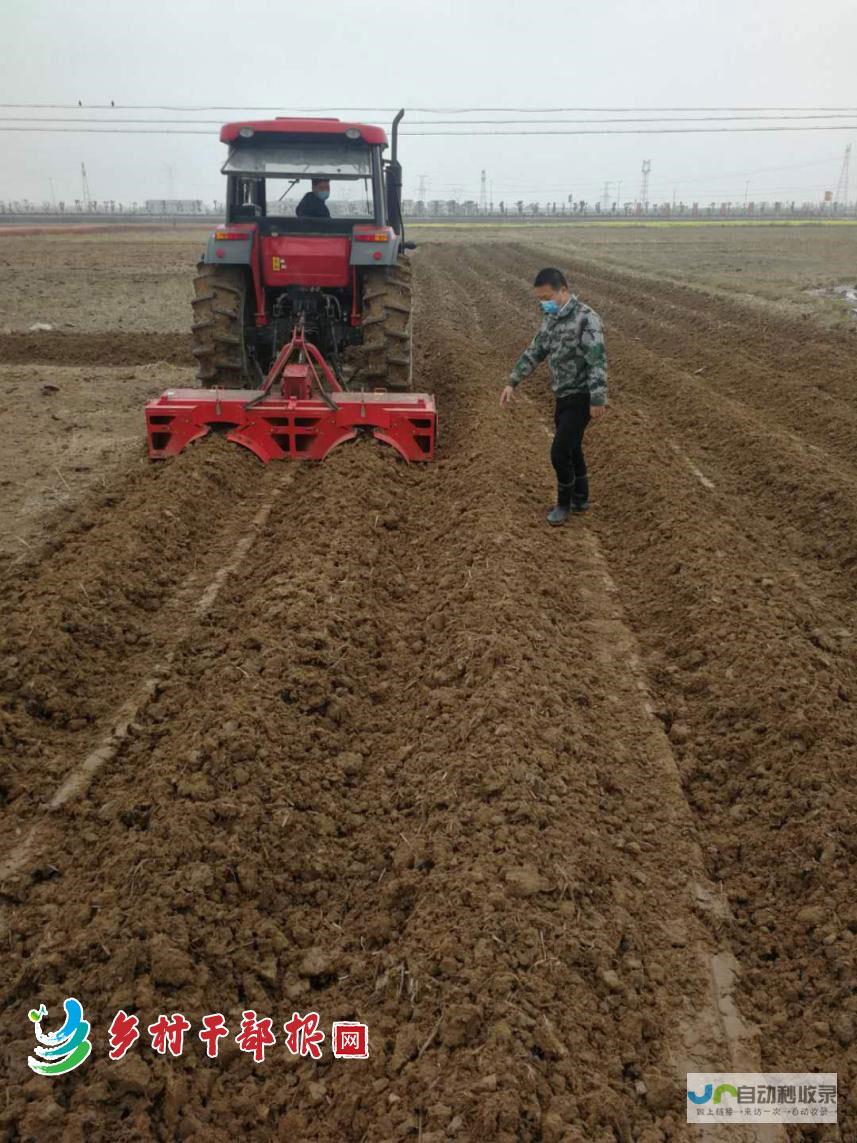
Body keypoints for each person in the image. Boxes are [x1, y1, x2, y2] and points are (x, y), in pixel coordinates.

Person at [500, 267, 607, 525]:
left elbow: (597, 360)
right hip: (562, 395)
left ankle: (564, 504)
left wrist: (597, 398)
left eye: (547, 297)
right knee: (572, 447)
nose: (543, 303)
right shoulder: (551, 319)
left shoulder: (586, 319)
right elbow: (536, 350)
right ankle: (581, 498)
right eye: (540, 299)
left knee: (559, 451)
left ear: (564, 291)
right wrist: (513, 381)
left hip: (581, 396)